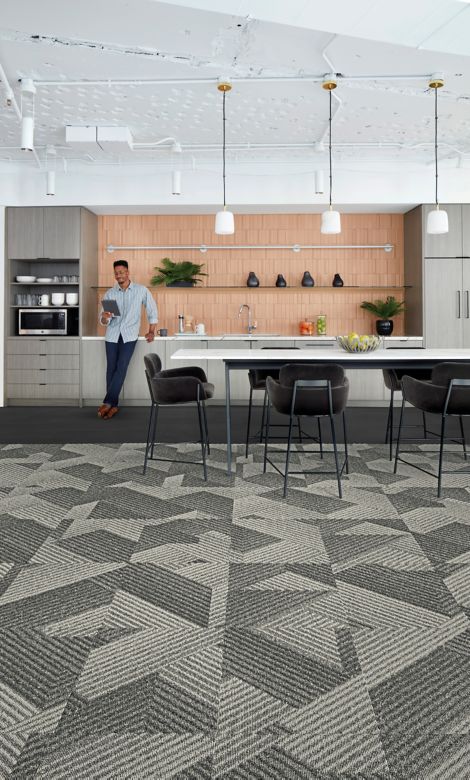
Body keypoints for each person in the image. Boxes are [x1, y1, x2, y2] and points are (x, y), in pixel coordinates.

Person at [98, 259, 158, 419]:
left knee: (121, 367)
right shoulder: (110, 293)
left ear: (127, 272)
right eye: (116, 273)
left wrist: (151, 331)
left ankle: (107, 402)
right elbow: (104, 321)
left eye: (121, 272)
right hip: (111, 335)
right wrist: (105, 317)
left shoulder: (141, 290)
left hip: (129, 336)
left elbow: (152, 309)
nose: (119, 275)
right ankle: (113, 405)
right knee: (111, 368)